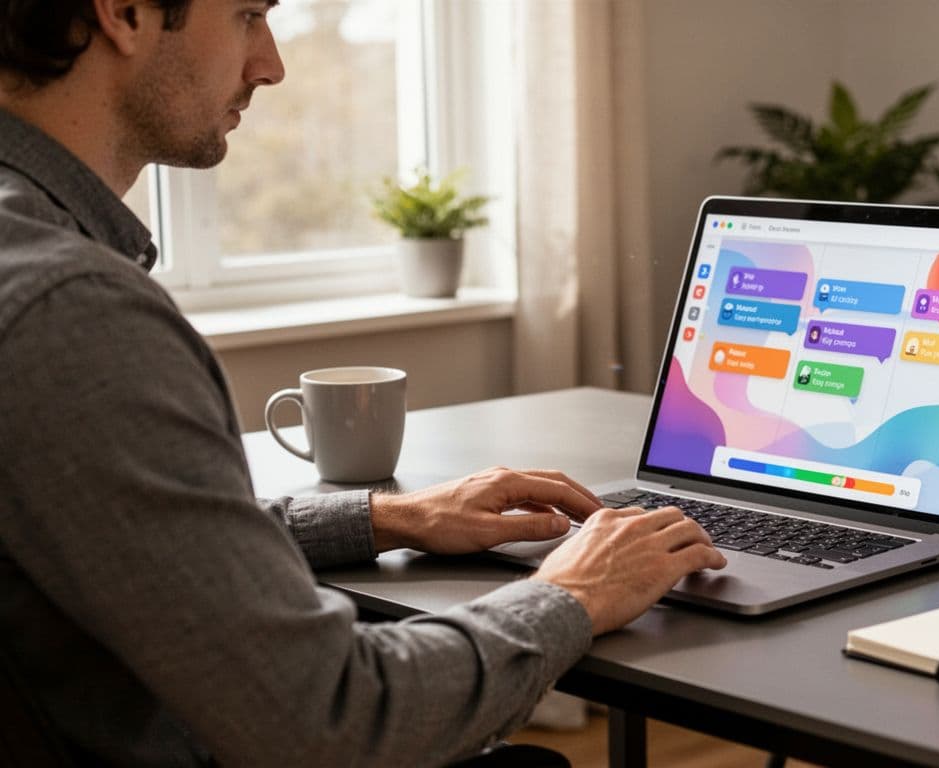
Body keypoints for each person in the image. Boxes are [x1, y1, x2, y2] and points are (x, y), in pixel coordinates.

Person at [0, 0, 726, 764]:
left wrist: (392, 517)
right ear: (124, 12)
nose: (270, 64)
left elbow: (149, 548)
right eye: (248, 14)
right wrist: (576, 592)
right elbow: (334, 720)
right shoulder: (71, 312)